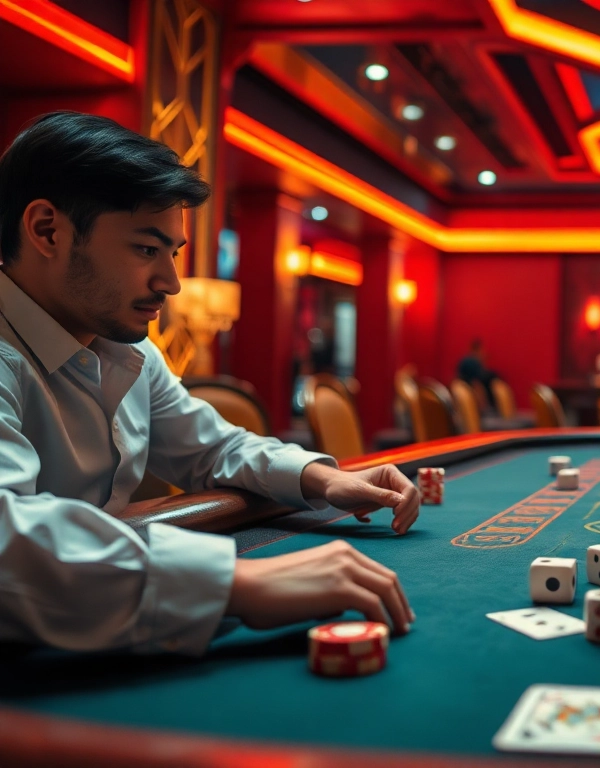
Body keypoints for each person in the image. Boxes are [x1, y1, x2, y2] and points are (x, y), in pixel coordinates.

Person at [0, 112, 421, 656]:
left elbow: (214, 446)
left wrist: (324, 479)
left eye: (171, 254)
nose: (170, 283)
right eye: (146, 249)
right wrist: (239, 583)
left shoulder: (130, 351)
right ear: (46, 230)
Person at [457, 337, 499, 407]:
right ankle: (488, 407)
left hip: (469, 383)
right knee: (488, 380)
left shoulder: (470, 360)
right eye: (481, 350)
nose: (483, 352)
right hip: (471, 384)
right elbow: (475, 382)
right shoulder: (471, 361)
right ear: (477, 350)